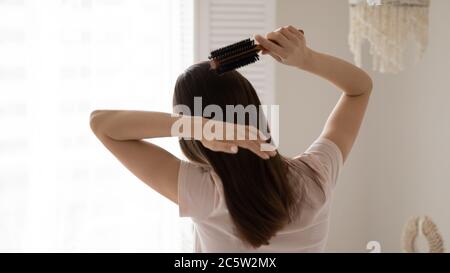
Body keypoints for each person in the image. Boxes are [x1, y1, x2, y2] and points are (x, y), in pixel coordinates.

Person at [89, 26, 373, 252]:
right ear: (252, 108)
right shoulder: (315, 176)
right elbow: (359, 89)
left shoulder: (203, 191)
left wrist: (199, 127)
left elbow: (102, 124)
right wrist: (307, 59)